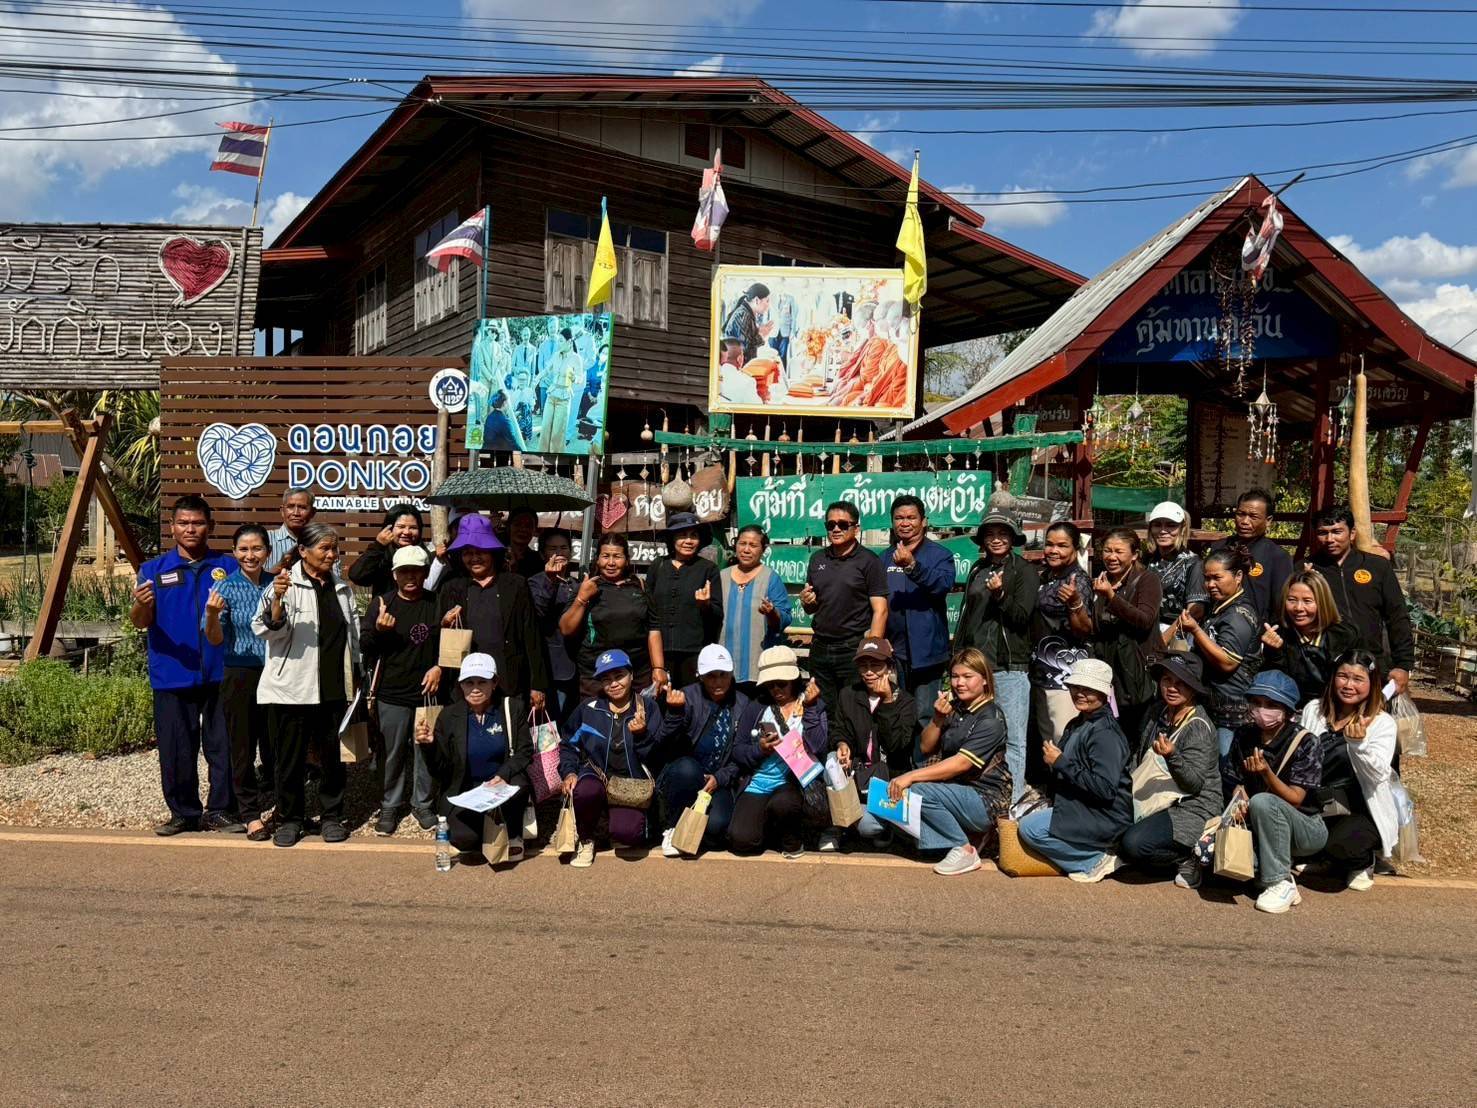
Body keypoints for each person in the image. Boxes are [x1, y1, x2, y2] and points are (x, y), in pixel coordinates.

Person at [131, 495, 242, 836]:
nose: (190, 529)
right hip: (172, 673)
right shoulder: (153, 571)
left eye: (197, 523)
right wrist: (140, 605)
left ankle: (222, 810)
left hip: (221, 671)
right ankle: (184, 813)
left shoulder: (228, 567)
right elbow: (140, 621)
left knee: (223, 745)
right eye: (184, 523)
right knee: (177, 747)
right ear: (172, 527)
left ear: (210, 526)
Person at [252, 522, 362, 848]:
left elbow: (352, 637)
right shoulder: (283, 585)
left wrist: (358, 674)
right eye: (324, 549)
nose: (331, 555)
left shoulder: (341, 589)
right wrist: (277, 604)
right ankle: (290, 819)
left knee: (332, 756)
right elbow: (263, 629)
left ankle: (331, 816)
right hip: (291, 688)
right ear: (303, 551)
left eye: (334, 549)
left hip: (332, 688)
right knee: (289, 759)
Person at [887, 648, 1011, 876]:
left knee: (919, 791)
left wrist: (910, 776)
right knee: (887, 814)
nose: (959, 683)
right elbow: (925, 747)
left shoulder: (991, 717)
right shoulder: (956, 709)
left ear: (984, 680)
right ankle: (956, 839)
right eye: (955, 676)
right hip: (955, 792)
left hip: (985, 799)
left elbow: (961, 764)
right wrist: (937, 718)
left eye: (967, 677)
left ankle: (964, 850)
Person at [1018, 658, 1134, 883]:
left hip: (1106, 815)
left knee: (1030, 829)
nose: (1080, 693)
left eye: (1088, 689)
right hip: (1081, 805)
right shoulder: (1077, 723)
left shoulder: (1105, 733)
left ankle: (1094, 859)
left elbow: (1105, 789)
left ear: (1103, 693)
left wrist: (1060, 762)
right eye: (1076, 687)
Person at [1222, 670, 1325, 914]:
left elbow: (1296, 799)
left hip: (1305, 829)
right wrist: (1240, 797)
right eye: (1256, 703)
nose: (1262, 710)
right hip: (1260, 824)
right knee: (1233, 868)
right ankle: (1266, 868)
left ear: (1288, 711)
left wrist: (1266, 773)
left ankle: (1281, 881)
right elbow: (1237, 781)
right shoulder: (1244, 735)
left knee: (1264, 802)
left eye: (1271, 705)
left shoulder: (1306, 741)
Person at [416, 652, 533, 864]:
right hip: (466, 789)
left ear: (494, 683)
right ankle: (489, 831)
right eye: (469, 682)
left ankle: (512, 832)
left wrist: (503, 774)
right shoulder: (448, 716)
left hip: (501, 785)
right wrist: (429, 746)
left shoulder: (511, 708)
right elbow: (440, 770)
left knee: (519, 784)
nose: (475, 688)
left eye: (482, 682)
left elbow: (525, 750)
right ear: (461, 685)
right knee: (464, 839)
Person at [1117, 654, 1222, 888]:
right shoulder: (1157, 711)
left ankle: (1190, 856)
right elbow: (1139, 756)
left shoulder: (1198, 727)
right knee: (1110, 826)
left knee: (1133, 845)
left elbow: (1193, 784)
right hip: (1154, 794)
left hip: (1191, 807)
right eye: (1167, 680)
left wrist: (1172, 756)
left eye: (1181, 683)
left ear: (1194, 689)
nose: (1172, 688)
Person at [953, 510, 1037, 802]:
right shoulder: (977, 569)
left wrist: (1001, 595)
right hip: (976, 666)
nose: (997, 539)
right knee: (970, 735)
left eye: (1003, 534)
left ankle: (1010, 804)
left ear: (1013, 538)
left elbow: (1022, 618)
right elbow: (966, 618)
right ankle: (978, 800)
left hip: (1009, 666)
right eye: (990, 534)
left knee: (1013, 738)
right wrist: (957, 661)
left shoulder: (1024, 571)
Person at [1300, 651, 1400, 893]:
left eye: (1358, 679)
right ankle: (1325, 858)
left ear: (1372, 683)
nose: (1348, 685)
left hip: (1360, 808)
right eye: (1343, 676)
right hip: (1318, 802)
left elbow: (1378, 775)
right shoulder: (1314, 710)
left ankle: (1362, 862)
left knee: (1343, 846)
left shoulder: (1382, 723)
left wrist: (1359, 745)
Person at [361, 545, 443, 835]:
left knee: (426, 749)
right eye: (404, 571)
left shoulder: (436, 602)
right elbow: (365, 647)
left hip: (428, 692)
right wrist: (380, 632)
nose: (411, 576)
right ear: (395, 574)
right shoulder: (383, 603)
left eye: (417, 570)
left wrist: (441, 667)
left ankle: (423, 803)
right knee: (391, 752)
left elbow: (451, 641)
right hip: (391, 692)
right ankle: (389, 805)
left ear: (424, 573)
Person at [652, 644, 761, 856]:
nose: (718, 682)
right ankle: (673, 826)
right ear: (700, 676)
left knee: (718, 827)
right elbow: (663, 743)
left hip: (717, 780)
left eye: (723, 675)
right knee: (687, 770)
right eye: (711, 676)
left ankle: (695, 829)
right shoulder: (686, 697)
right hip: (685, 774)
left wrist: (719, 778)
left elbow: (741, 753)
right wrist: (674, 713)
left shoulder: (743, 703)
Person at [559, 650, 663, 868]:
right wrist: (569, 771)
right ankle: (587, 838)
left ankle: (606, 822)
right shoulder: (588, 709)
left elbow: (657, 757)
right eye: (606, 679)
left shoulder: (648, 707)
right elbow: (568, 744)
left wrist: (642, 735)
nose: (613, 684)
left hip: (631, 785)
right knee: (585, 789)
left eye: (619, 676)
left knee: (627, 835)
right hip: (597, 775)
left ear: (631, 675)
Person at [202, 523, 272, 840]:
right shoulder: (225, 589)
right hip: (239, 673)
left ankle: (284, 806)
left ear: (267, 552)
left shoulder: (277, 585)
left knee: (277, 744)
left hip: (276, 674)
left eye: (256, 548)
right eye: (243, 549)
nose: (250, 555)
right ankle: (250, 814)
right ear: (234, 553)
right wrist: (214, 615)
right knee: (242, 746)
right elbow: (214, 639)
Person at [437, 514, 549, 708]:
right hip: (465, 683)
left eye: (480, 551)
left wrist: (537, 685)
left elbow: (532, 636)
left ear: (492, 552)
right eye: (467, 553)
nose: (474, 558)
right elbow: (436, 637)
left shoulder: (515, 585)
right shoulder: (451, 588)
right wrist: (444, 624)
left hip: (509, 681)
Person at [820, 636, 918, 853]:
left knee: (867, 827)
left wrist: (888, 703)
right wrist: (842, 744)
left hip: (888, 779)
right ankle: (838, 825)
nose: (869, 671)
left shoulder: (906, 702)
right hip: (857, 772)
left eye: (876, 665)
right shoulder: (849, 694)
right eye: (863, 665)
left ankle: (876, 824)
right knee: (831, 761)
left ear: (889, 667)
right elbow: (839, 729)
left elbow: (897, 746)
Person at [728, 646, 827, 859]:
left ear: (794, 680)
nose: (776, 689)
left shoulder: (812, 703)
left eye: (781, 683)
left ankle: (791, 838)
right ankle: (769, 829)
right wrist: (759, 749)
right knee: (742, 840)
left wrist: (810, 709)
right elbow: (737, 749)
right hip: (758, 782)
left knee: (784, 805)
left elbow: (819, 746)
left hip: (793, 783)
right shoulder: (756, 707)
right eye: (770, 685)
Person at [1308, 506, 1415, 696]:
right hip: (1325, 668)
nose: (1330, 539)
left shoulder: (1377, 567)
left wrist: (1403, 665)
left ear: (1352, 533)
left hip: (1373, 666)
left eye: (1337, 531)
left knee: (1372, 723)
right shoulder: (1306, 570)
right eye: (1322, 533)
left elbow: (1397, 617)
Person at [1173, 543, 1262, 756]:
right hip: (1214, 704)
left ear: (1238, 576)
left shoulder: (1238, 614)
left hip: (1232, 711)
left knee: (1225, 764)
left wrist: (1195, 629)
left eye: (1217, 578)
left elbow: (1227, 662)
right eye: (1206, 578)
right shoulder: (1220, 607)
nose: (1210, 584)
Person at [800, 501, 889, 713]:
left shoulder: (868, 561)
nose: (836, 529)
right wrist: (807, 602)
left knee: (855, 708)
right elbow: (812, 608)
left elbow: (881, 610)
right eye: (830, 525)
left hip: (852, 647)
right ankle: (830, 747)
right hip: (820, 646)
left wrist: (870, 654)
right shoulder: (817, 559)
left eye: (843, 524)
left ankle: (853, 747)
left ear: (856, 528)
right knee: (823, 709)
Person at [560, 533, 666, 699]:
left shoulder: (640, 586)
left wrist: (658, 668)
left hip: (637, 672)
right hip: (596, 674)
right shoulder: (588, 587)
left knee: (637, 721)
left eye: (617, 556)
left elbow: (653, 628)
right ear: (597, 559)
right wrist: (582, 598)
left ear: (626, 560)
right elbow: (566, 629)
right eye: (605, 556)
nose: (610, 563)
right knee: (597, 722)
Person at [880, 495, 955, 725]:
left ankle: (925, 762)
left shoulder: (940, 555)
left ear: (923, 521)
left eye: (911, 517)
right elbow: (875, 602)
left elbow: (942, 585)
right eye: (899, 518)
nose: (905, 523)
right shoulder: (884, 558)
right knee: (898, 713)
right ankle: (900, 762)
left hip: (928, 653)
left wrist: (913, 566)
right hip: (895, 653)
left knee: (925, 715)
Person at [1027, 521, 1094, 771]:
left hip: (1065, 676)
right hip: (1042, 672)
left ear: (1075, 548)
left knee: (1062, 739)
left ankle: (1070, 798)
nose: (1053, 550)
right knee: (1048, 740)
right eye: (1049, 544)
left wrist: (1075, 602)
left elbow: (1083, 629)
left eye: (1062, 546)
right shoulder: (1045, 577)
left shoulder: (1078, 581)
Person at [1089, 528, 1163, 742]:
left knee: (1137, 735)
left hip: (1138, 673)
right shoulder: (1102, 580)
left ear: (1135, 555)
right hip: (1111, 673)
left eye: (1119, 552)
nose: (1111, 557)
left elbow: (1144, 620)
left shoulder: (1148, 580)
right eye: (1107, 551)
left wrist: (1111, 597)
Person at [1260, 568, 1362, 707]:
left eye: (1307, 601)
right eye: (1292, 600)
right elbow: (1275, 686)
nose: (1298, 608)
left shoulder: (1344, 634)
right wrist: (1273, 653)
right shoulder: (1279, 633)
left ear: (1322, 602)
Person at [647, 512, 724, 688]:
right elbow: (648, 609)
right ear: (672, 539)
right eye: (682, 535)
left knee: (691, 701)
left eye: (694, 536)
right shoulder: (658, 566)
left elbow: (718, 614)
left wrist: (705, 605)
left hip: (694, 652)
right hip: (660, 653)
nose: (688, 541)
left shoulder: (708, 569)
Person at [719, 524, 793, 687]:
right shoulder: (722, 576)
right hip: (722, 665)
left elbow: (785, 619)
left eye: (753, 545)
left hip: (758, 667)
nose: (746, 550)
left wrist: (772, 612)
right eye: (742, 543)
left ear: (763, 549)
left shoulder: (771, 578)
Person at [1210, 488, 1292, 624]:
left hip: (1256, 632)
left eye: (1253, 517)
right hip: (1218, 625)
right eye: (1241, 514)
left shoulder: (1277, 556)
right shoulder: (1218, 548)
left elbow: (1280, 604)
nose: (1245, 521)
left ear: (1268, 520)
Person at [527, 528, 583, 723]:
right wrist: (550, 581)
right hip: (550, 666)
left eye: (563, 548)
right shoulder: (534, 582)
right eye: (552, 549)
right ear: (542, 554)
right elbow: (537, 614)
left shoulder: (576, 584)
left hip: (577, 666)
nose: (559, 553)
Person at [1144, 501, 1207, 636]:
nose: (1163, 530)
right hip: (1147, 631)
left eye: (1171, 525)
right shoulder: (1146, 560)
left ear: (1182, 528)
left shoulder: (1192, 563)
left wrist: (1166, 637)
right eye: (1157, 525)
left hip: (1179, 635)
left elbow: (1196, 611)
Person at [346, 503, 434, 598]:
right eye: (401, 527)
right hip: (385, 610)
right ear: (389, 528)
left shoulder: (425, 555)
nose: (407, 532)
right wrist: (378, 546)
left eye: (413, 528)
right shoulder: (381, 553)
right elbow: (357, 576)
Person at [722, 282, 775, 363]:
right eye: (767, 301)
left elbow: (749, 340)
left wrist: (758, 332)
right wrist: (761, 336)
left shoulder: (747, 313)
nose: (768, 305)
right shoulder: (743, 315)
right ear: (757, 300)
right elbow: (745, 350)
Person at [267, 487, 316, 572]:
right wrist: (278, 567)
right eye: (291, 507)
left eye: (302, 507)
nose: (296, 513)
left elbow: (335, 580)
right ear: (282, 511)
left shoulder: (322, 542)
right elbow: (253, 581)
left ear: (312, 512)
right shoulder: (266, 539)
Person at [502, 508, 547, 580]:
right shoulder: (497, 555)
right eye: (518, 524)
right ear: (509, 527)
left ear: (534, 530)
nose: (523, 529)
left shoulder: (537, 561)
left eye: (528, 525)